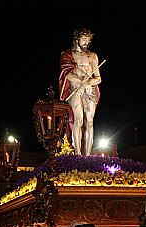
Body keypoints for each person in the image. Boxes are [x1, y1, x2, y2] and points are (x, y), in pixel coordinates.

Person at [58, 28, 102, 156]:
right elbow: (67, 74)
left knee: (89, 121)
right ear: (77, 39)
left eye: (88, 41)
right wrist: (82, 83)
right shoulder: (67, 54)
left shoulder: (92, 56)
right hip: (75, 89)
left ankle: (87, 155)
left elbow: (98, 78)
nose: (86, 43)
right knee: (78, 119)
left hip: (89, 91)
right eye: (84, 40)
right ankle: (77, 154)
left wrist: (88, 83)